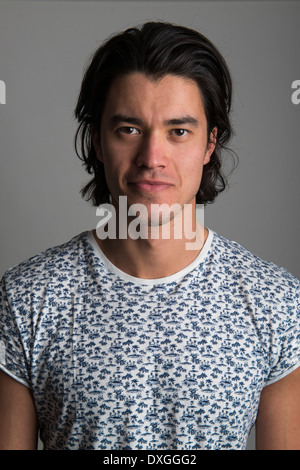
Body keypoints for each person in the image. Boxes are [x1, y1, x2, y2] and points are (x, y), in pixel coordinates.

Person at [0, 21, 299, 451]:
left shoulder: (276, 302)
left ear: (209, 144)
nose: (152, 158)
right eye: (129, 129)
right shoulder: (27, 298)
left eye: (179, 131)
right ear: (98, 141)